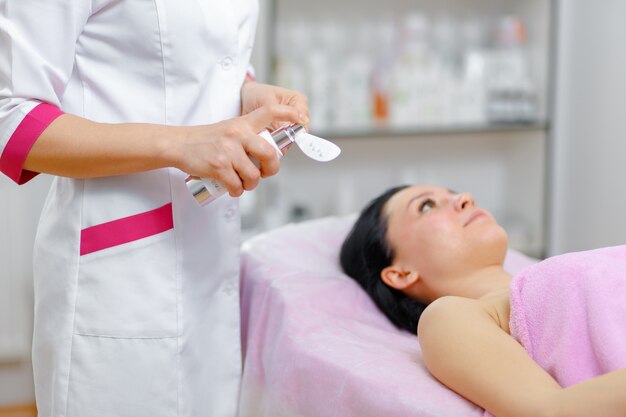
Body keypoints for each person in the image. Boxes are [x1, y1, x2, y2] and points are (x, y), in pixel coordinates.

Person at [0, 2, 308, 417]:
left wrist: (244, 91)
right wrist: (180, 145)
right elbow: (11, 117)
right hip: (121, 280)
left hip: (210, 262)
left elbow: (179, 58)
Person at [340, 184, 626, 417]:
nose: (465, 197)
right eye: (426, 205)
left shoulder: (539, 280)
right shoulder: (449, 318)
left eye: (453, 192)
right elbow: (550, 411)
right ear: (401, 273)